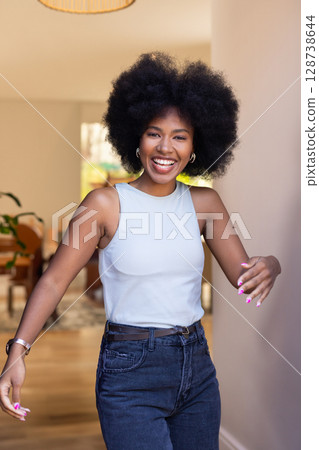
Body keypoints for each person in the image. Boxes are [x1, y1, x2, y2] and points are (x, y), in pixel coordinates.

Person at [0, 52, 281, 449]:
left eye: (179, 136)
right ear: (136, 137)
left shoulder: (206, 204)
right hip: (129, 371)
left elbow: (243, 277)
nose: (166, 147)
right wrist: (17, 351)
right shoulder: (103, 205)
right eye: (154, 133)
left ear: (195, 146)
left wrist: (272, 264)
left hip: (197, 367)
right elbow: (54, 280)